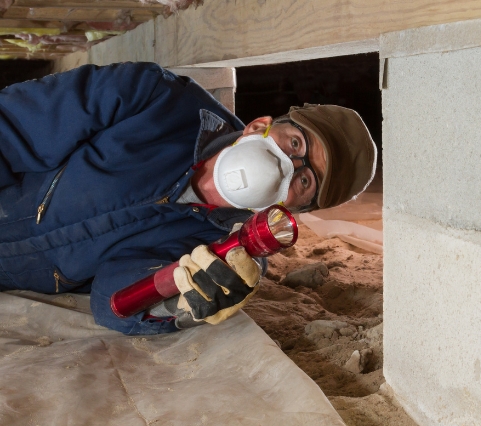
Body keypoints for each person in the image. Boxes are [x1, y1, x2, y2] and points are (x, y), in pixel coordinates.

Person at [0, 62, 376, 335]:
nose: (287, 167)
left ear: (292, 208)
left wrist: (174, 301)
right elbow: (15, 126)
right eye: (295, 144)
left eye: (306, 180)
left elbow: (111, 300)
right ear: (260, 125)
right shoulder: (154, 98)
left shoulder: (229, 256)